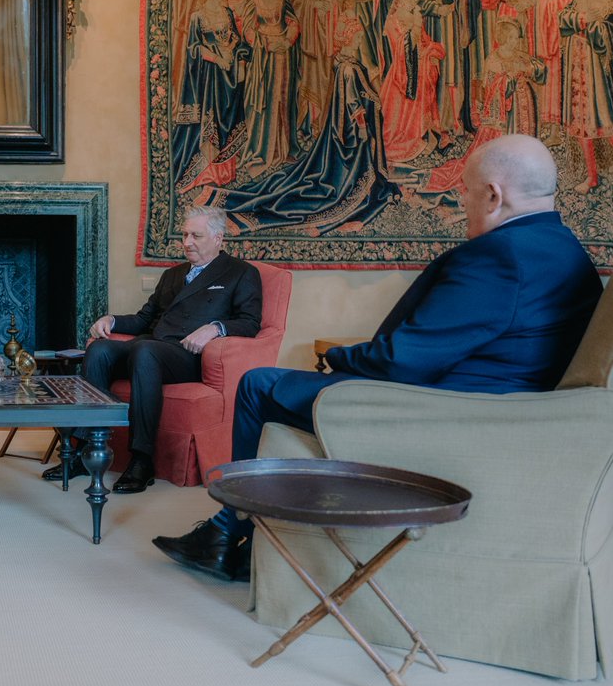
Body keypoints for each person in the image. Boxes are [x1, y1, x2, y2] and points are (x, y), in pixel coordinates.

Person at [154, 134, 602, 581]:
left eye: (464, 190)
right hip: (493, 408)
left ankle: (226, 532)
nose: (462, 201)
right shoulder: (566, 249)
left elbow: (401, 361)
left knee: (257, 384)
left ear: (493, 194)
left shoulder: (501, 256)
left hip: (434, 410)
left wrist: (340, 357)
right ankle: (248, 528)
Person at [41, 206, 262, 494]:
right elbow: (144, 319)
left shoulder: (241, 273)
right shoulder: (173, 275)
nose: (187, 242)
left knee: (145, 350)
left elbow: (250, 323)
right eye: (184, 235)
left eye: (196, 235)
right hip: (150, 347)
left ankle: (142, 461)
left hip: (188, 356)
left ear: (219, 238)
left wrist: (215, 328)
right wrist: (112, 320)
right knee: (100, 350)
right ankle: (84, 452)